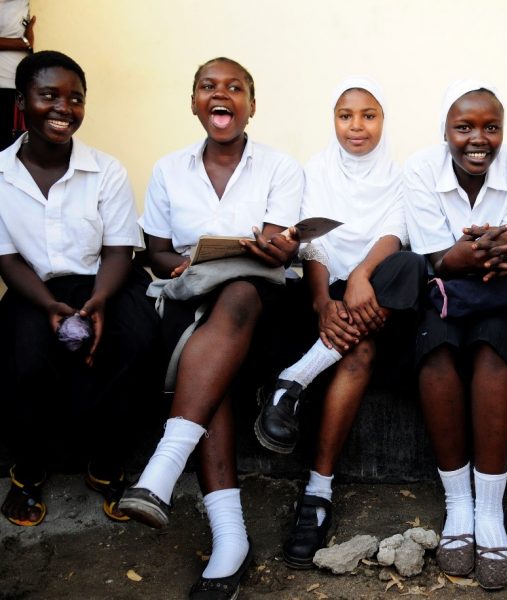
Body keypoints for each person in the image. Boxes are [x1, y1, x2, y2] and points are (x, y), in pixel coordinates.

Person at [118, 57, 304, 599]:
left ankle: (164, 467)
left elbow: (278, 245)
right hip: (188, 302)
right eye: (208, 86)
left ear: (252, 104)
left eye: (234, 87)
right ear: (195, 102)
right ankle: (231, 543)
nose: (221, 95)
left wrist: (272, 248)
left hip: (261, 309)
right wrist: (178, 264)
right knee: (210, 365)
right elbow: (155, 250)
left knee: (238, 297)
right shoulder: (168, 169)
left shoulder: (280, 167)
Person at [254, 77, 425, 568]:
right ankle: (318, 492)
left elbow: (395, 232)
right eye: (345, 115)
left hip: (380, 294)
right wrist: (322, 303)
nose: (357, 126)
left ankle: (294, 381)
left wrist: (363, 277)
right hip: (328, 292)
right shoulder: (316, 170)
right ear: (334, 120)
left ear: (383, 120)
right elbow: (314, 241)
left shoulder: (399, 175)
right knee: (360, 350)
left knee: (410, 267)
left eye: (369, 115)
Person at [0, 50, 157, 526]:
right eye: (49, 95)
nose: (64, 108)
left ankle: (107, 462)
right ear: (22, 101)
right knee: (24, 355)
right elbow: (6, 258)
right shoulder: (1, 173)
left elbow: (119, 250)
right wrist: (49, 305)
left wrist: (99, 303)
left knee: (136, 341)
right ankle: (28, 467)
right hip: (35, 287)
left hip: (106, 280)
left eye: (76, 98)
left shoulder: (105, 170)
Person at [403, 80, 507, 590]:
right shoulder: (420, 169)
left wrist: (472, 253)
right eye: (464, 127)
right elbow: (437, 258)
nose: (478, 139)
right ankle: (458, 505)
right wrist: (481, 250)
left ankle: (489, 511)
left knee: (493, 353)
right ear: (445, 131)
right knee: (436, 353)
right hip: (442, 296)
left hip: (501, 294)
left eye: (491, 127)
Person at [0, 0, 33, 150]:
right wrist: (23, 42)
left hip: (11, 83)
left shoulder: (24, 4)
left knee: (8, 142)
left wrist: (25, 42)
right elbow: (27, 42)